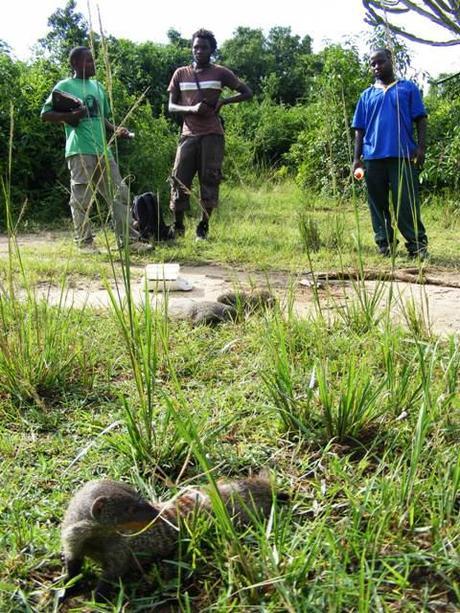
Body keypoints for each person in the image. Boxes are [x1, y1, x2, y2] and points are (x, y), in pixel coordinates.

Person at [41, 46, 152, 254]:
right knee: (82, 198)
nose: (93, 64)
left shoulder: (98, 87)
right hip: (80, 150)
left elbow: (102, 118)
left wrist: (115, 130)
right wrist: (71, 116)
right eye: (88, 61)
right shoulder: (64, 86)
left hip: (103, 150)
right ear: (75, 64)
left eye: (93, 60)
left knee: (120, 194)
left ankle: (129, 242)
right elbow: (46, 114)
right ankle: (85, 243)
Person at [167, 29, 252, 241]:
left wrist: (224, 101)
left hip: (213, 135)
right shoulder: (180, 73)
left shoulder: (221, 73)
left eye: (204, 47)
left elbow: (247, 92)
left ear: (212, 49)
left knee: (210, 179)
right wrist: (192, 109)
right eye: (196, 47)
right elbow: (171, 106)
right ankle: (178, 226)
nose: (199, 51)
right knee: (179, 179)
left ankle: (203, 227)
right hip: (188, 134)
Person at [352, 48, 429, 259]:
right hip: (373, 158)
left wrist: (421, 148)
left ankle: (417, 246)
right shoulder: (366, 95)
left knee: (406, 203)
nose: (377, 67)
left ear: (391, 60)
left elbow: (421, 119)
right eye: (373, 64)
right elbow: (359, 129)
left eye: (380, 62)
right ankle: (385, 244)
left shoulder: (407, 89)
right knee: (377, 204)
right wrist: (356, 159)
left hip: (403, 156)